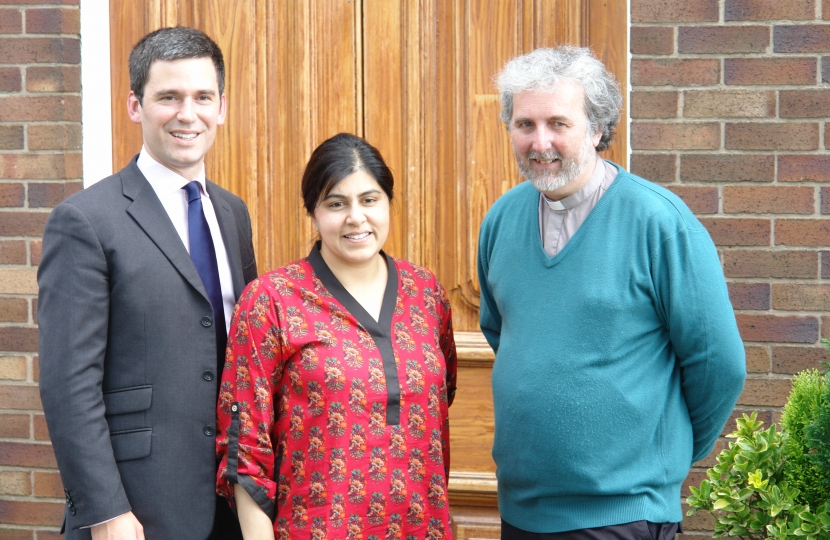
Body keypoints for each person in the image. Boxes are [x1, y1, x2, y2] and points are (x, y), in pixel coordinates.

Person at [477, 46, 747, 539]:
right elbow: (505, 334)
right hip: (521, 510)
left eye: (559, 123)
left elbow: (719, 363)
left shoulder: (659, 222)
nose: (540, 142)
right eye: (525, 124)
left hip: (624, 516)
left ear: (597, 128)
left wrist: (663, 456)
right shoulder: (500, 220)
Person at [38, 27, 256, 540]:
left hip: (234, 499)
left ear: (221, 107)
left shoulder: (232, 213)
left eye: (203, 97)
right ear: (135, 106)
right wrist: (105, 511)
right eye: (168, 97)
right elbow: (68, 385)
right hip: (138, 510)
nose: (188, 113)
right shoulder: (85, 221)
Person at [216, 132, 458, 540]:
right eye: (336, 203)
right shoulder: (272, 299)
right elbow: (244, 449)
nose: (356, 218)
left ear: (388, 203)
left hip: (424, 527)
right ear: (313, 211)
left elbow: (442, 398)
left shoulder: (426, 293)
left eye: (369, 199)